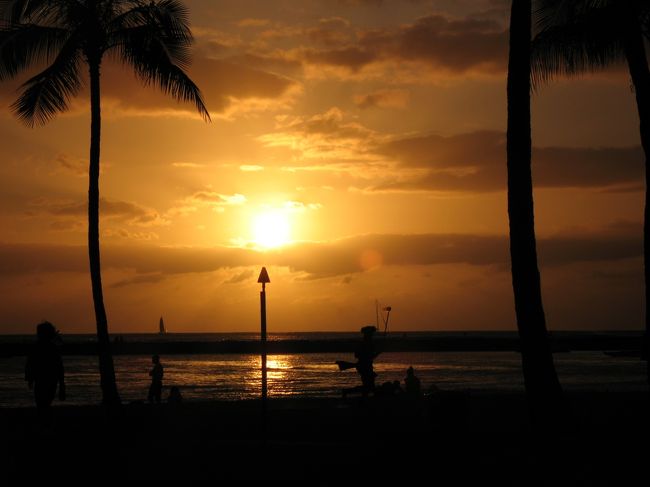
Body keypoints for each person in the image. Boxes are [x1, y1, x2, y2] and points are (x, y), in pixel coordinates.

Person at [25, 321, 65, 424]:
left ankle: (43, 422)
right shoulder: (52, 348)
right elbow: (59, 367)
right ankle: (44, 422)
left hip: (43, 380)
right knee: (45, 403)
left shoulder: (38, 347)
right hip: (49, 380)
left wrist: (30, 378)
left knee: (42, 403)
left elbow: (30, 364)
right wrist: (62, 385)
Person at [337, 325, 381, 398]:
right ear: (368, 334)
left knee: (369, 385)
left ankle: (363, 397)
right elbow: (367, 356)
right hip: (365, 366)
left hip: (365, 366)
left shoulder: (364, 343)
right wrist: (377, 353)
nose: (372, 335)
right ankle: (347, 391)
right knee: (369, 386)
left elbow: (360, 355)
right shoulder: (367, 343)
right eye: (372, 333)